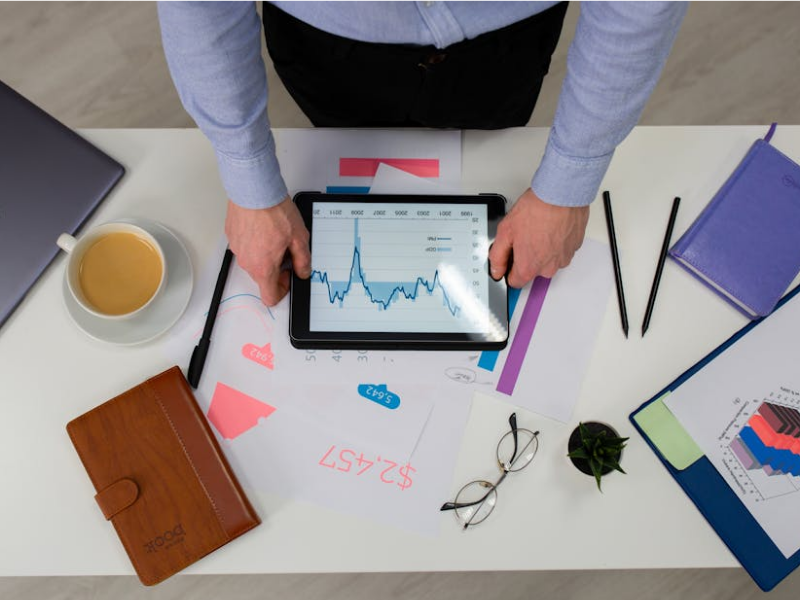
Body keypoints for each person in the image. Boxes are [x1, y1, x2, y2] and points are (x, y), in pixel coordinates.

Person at [158, 1, 687, 306]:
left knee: (493, 130)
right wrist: (249, 182)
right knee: (338, 129)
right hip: (325, 41)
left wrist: (566, 185)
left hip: (505, 40)